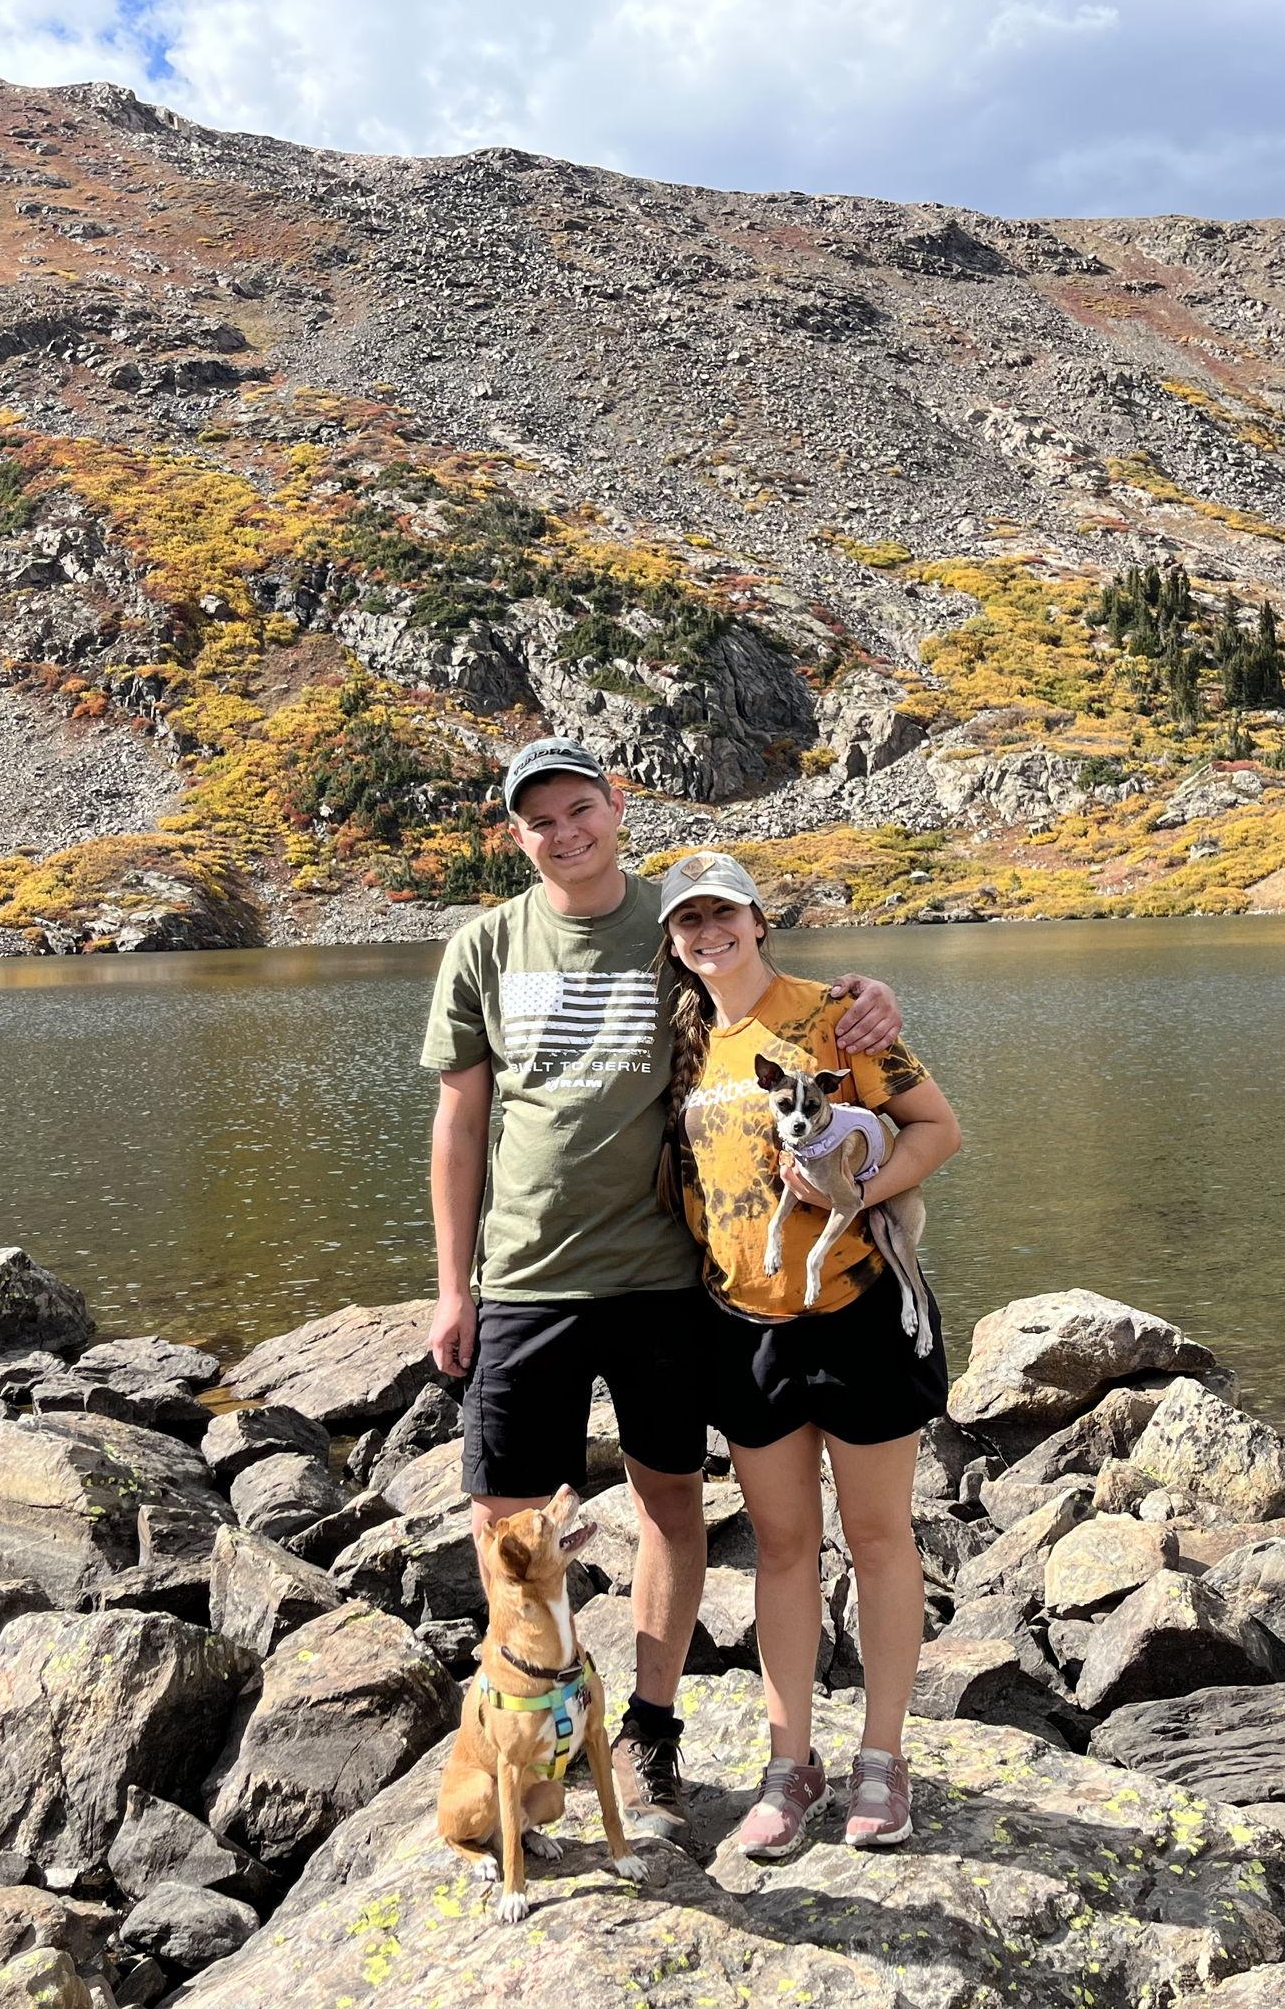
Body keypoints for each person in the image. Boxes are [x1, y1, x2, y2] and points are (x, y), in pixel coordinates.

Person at [420, 737, 907, 1841]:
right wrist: (452, 1288)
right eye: (540, 819)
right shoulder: (485, 943)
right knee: (504, 1522)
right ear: (517, 833)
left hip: (662, 1281)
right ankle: (527, 1730)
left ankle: (647, 1729)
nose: (565, 831)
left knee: (669, 1506)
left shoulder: (673, 926)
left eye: (579, 808)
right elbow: (458, 1120)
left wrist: (870, 995)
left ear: (614, 805)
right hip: (526, 1279)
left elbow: (771, 998)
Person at [658, 850, 960, 1857]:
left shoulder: (835, 1015)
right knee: (781, 1549)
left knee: (876, 1537)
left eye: (724, 912)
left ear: (757, 918)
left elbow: (935, 1127)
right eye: (688, 919)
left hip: (855, 1308)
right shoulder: (680, 1044)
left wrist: (857, 1196)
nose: (709, 932)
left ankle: (883, 1758)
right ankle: (789, 1768)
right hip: (742, 1326)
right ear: (672, 939)